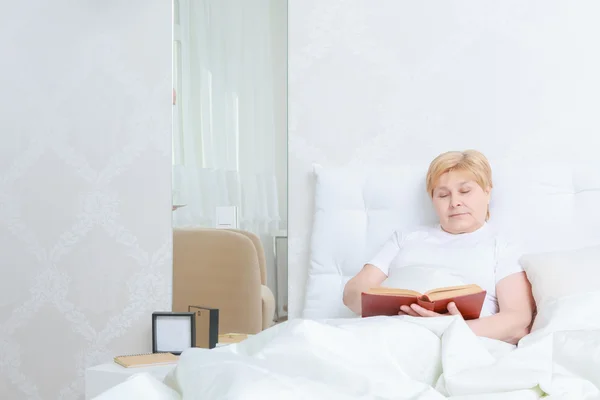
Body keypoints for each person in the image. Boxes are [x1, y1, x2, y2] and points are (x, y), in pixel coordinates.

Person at [342, 150, 535, 345]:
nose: (455, 202)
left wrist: (447, 328)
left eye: (465, 191)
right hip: (389, 331)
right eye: (443, 195)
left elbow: (517, 319)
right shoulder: (406, 238)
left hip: (456, 339)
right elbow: (352, 296)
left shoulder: (502, 246)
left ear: (487, 191)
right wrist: (393, 305)